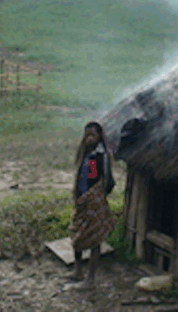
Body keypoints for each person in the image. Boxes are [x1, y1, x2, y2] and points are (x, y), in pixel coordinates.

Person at [67, 121, 116, 290]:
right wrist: (80, 195)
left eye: (93, 135)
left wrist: (96, 197)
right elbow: (84, 178)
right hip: (82, 202)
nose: (89, 138)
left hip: (93, 203)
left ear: (99, 137)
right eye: (87, 135)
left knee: (94, 239)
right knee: (77, 234)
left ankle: (90, 280)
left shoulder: (99, 156)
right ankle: (78, 270)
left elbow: (105, 181)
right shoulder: (87, 154)